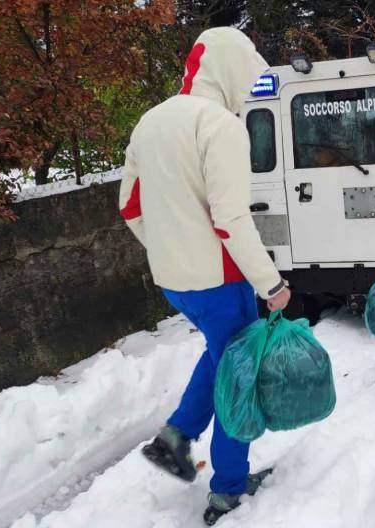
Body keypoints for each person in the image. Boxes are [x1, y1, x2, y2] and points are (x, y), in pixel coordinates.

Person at [117, 27, 291, 525]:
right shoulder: (220, 125)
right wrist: (272, 285)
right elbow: (231, 219)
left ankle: (175, 439)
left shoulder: (150, 121)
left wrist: (172, 248)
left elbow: (129, 206)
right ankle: (228, 489)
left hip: (176, 281)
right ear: (231, 69)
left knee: (221, 354)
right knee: (239, 374)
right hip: (221, 280)